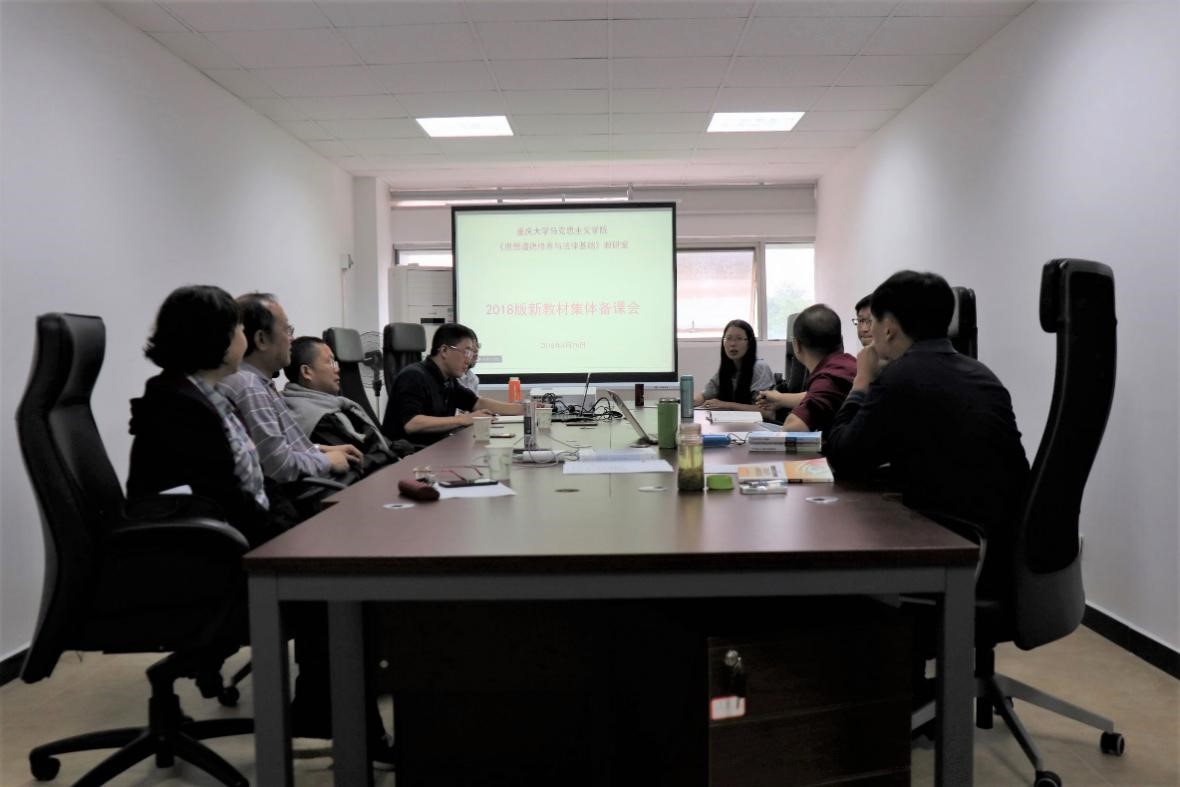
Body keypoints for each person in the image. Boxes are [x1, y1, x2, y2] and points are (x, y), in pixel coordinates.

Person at [825, 271, 1030, 599]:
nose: (869, 332)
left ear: (888, 327)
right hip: (1005, 549)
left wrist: (861, 381)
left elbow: (843, 457)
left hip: (954, 551)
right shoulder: (981, 373)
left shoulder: (901, 377)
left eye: (871, 322)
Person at [127, 285, 284, 546]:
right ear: (218, 337)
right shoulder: (180, 410)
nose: (244, 337)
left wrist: (286, 520)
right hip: (215, 549)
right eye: (240, 329)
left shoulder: (209, 398)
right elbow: (226, 499)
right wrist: (283, 531)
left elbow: (255, 481)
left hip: (242, 533)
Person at [217, 293, 361, 485]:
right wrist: (326, 461)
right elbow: (279, 466)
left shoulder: (261, 383)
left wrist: (319, 449)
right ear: (261, 340)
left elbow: (277, 450)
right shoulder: (249, 387)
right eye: (287, 330)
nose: (292, 339)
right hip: (303, 492)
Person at [282, 336, 412, 474]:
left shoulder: (331, 403)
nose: (337, 369)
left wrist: (400, 449)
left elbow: (371, 440)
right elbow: (356, 460)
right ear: (306, 372)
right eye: (330, 362)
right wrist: (394, 454)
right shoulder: (316, 417)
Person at [384, 322, 523, 444]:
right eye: (466, 352)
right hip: (408, 454)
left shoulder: (447, 380)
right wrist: (464, 419)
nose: (469, 360)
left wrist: (523, 409)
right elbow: (412, 423)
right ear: (444, 351)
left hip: (435, 449)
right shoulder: (413, 376)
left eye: (471, 354)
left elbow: (477, 403)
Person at [756, 304, 856, 433]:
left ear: (796, 345)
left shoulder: (828, 378)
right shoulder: (848, 364)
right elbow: (818, 394)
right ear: (840, 340)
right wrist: (780, 399)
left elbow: (792, 428)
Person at [693, 319, 775, 411]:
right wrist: (691, 401)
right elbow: (704, 395)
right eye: (728, 338)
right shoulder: (726, 369)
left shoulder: (760, 368)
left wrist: (726, 405)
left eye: (739, 339)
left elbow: (767, 412)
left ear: (749, 343)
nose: (732, 344)